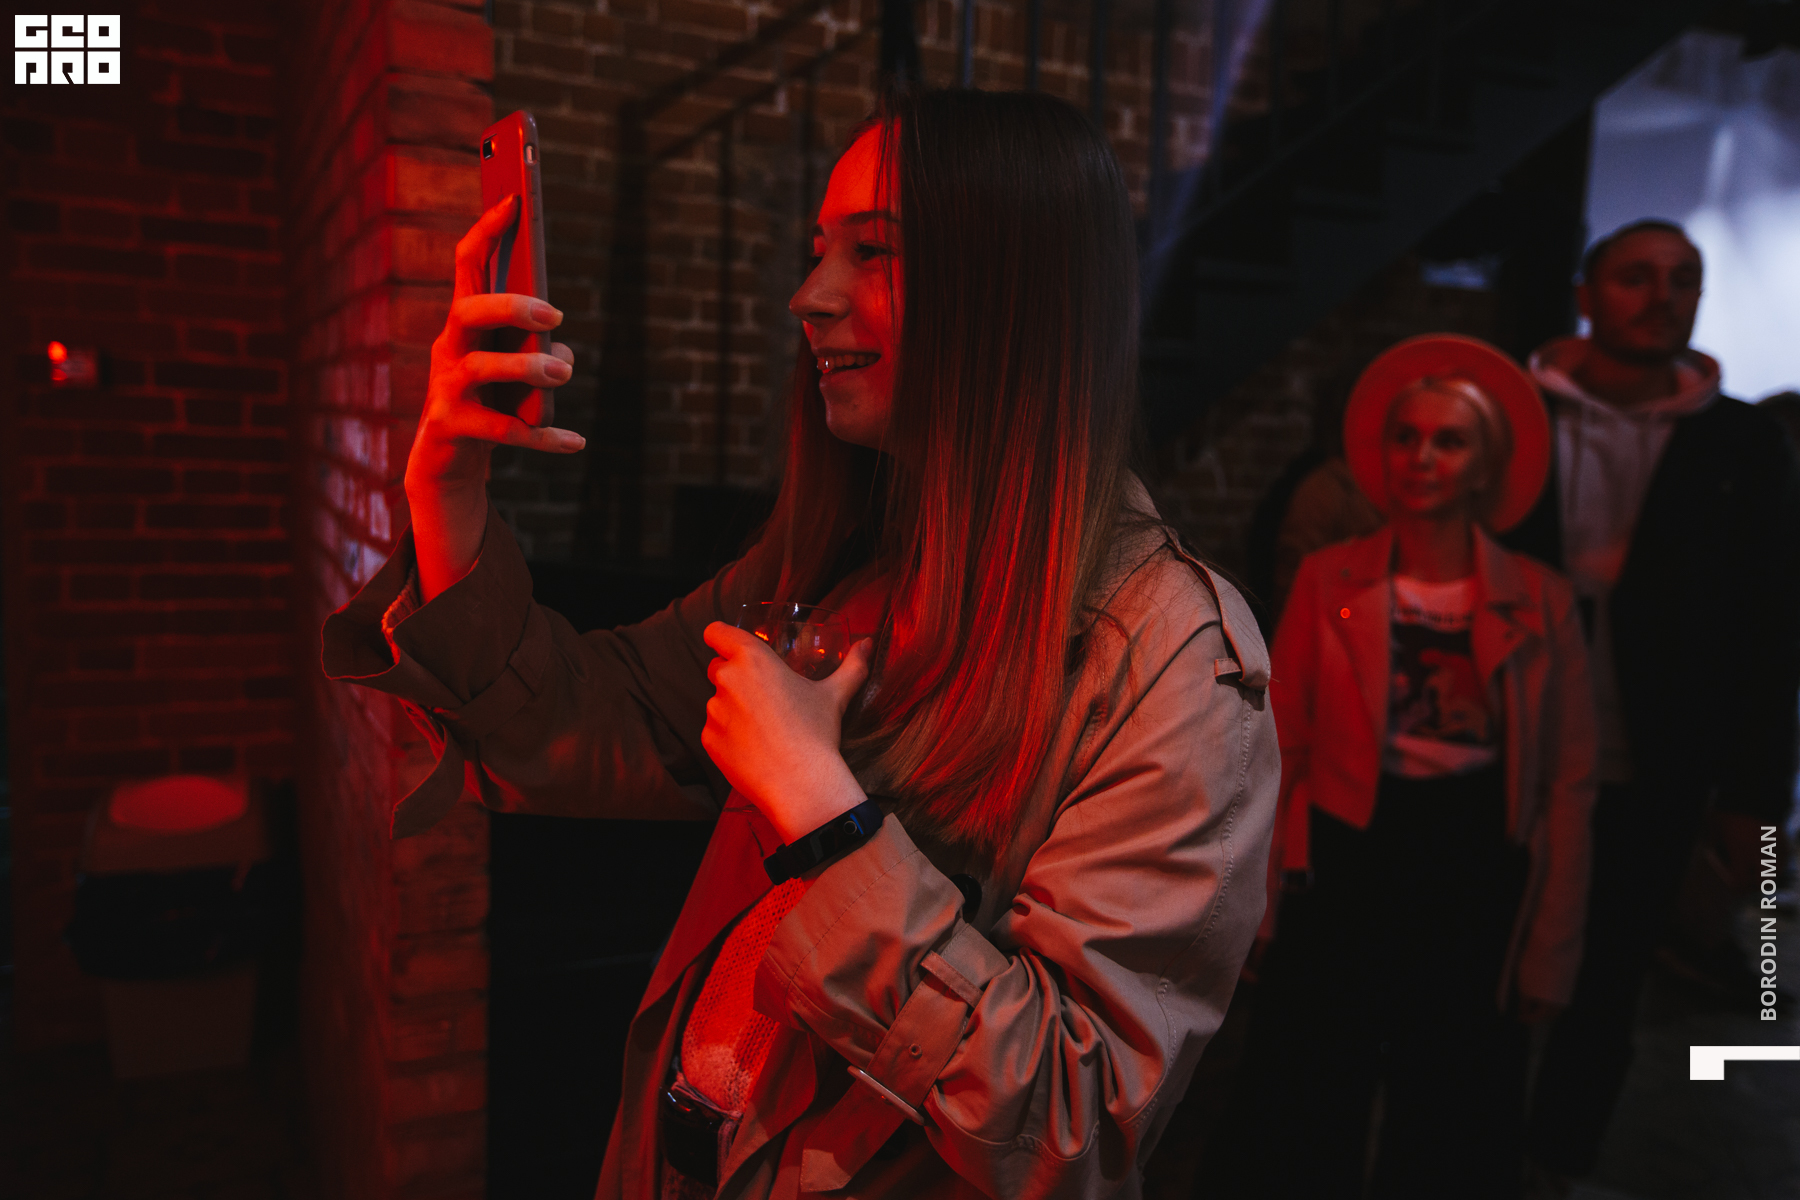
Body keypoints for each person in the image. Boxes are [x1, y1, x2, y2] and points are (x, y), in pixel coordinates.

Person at [322, 89, 1279, 1200]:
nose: (809, 296)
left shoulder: (1171, 661)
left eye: (873, 252)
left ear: (1015, 290)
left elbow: (1075, 1123)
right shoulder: (847, 564)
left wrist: (825, 818)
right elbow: (572, 717)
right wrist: (446, 491)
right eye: (819, 250)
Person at [1211, 335, 1597, 1199]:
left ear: (1486, 465)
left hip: (1477, 866)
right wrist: (1258, 907)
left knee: (1455, 1105)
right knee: (1303, 1097)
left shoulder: (1541, 600)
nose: (1422, 457)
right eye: (1406, 437)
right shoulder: (1330, 579)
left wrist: (1552, 947)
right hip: (1346, 858)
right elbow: (1283, 751)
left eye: (1449, 441)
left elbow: (1568, 787)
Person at [1503, 221, 1800, 1189]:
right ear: (1588, 294)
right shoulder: (1515, 412)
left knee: (1609, 986)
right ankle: (1469, 1160)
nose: (1663, 296)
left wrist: (1753, 797)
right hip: (1509, 751)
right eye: (1636, 276)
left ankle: (1554, 1166)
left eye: (1684, 279)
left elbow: (1769, 625)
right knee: (1483, 973)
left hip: (1655, 762)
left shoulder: (1741, 442)